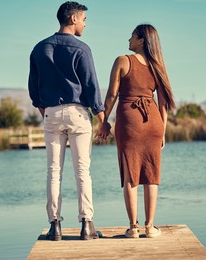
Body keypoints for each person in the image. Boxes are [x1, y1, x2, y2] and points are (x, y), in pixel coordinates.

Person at [28, 1, 105, 241]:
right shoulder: (82, 49)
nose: (85, 23)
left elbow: (34, 88)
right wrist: (102, 118)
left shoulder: (40, 48)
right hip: (78, 113)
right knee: (82, 170)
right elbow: (91, 86)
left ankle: (55, 226)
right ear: (73, 19)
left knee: (54, 171)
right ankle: (87, 225)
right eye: (83, 19)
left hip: (51, 112)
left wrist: (46, 110)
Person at [97, 24, 176, 238]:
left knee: (130, 174)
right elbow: (163, 104)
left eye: (132, 36)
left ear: (141, 40)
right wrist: (163, 132)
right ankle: (150, 227)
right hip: (153, 123)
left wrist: (103, 121)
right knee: (151, 174)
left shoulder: (123, 61)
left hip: (130, 122)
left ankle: (133, 227)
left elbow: (112, 96)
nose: (128, 39)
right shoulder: (157, 65)